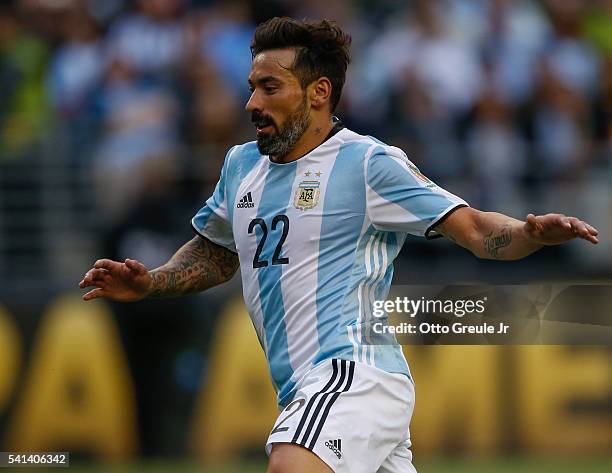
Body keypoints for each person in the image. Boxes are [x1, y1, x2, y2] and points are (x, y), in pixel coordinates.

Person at [79, 17, 599, 473]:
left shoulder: (368, 163)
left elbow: (479, 232)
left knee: (290, 463)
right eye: (251, 87)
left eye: (269, 87)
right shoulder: (240, 166)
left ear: (318, 92)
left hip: (351, 373)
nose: (252, 103)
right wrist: (154, 281)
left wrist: (530, 234)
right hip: (306, 388)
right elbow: (216, 252)